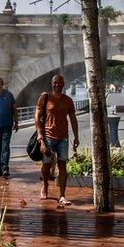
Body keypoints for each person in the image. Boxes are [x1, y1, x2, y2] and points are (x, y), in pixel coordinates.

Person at [35, 74, 79, 207]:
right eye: (55, 82)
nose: (57, 85)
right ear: (51, 84)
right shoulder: (45, 98)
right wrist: (40, 138)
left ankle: (62, 195)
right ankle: (45, 186)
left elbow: (73, 119)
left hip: (63, 138)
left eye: (60, 83)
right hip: (48, 137)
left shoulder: (68, 100)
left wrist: (76, 136)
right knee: (46, 165)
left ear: (63, 84)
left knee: (62, 165)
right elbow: (37, 118)